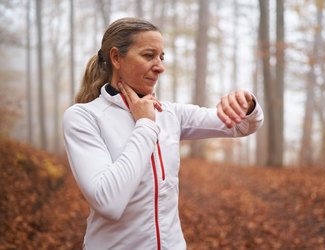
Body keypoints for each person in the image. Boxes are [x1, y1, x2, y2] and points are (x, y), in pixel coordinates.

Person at [63, 17, 263, 250]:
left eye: (161, 57)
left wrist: (245, 103)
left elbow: (241, 126)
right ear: (116, 57)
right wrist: (145, 125)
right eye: (149, 55)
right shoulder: (84, 117)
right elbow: (108, 202)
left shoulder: (169, 113)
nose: (160, 66)